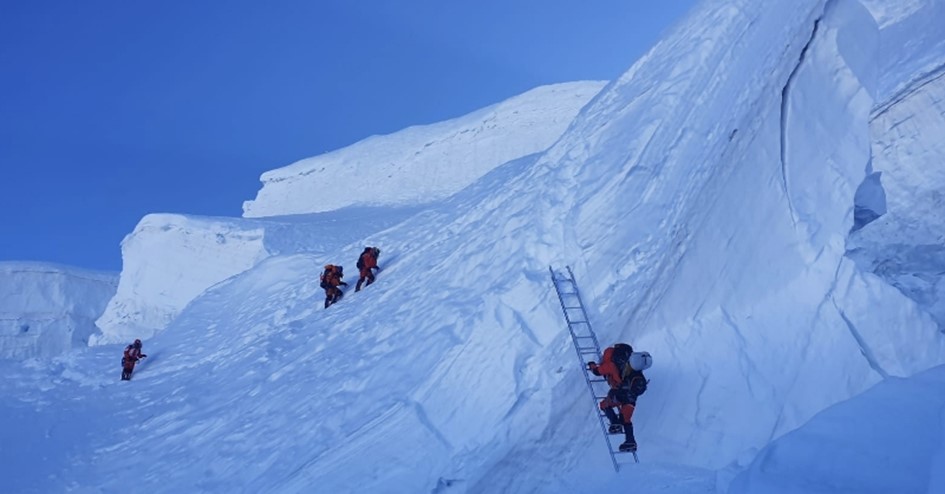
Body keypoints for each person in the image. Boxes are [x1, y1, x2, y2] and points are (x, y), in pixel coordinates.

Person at [587, 344, 651, 453]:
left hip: (619, 394)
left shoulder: (612, 364)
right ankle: (630, 442)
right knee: (626, 419)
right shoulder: (633, 364)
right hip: (632, 397)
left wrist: (592, 365)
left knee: (604, 405)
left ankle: (615, 423)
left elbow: (597, 371)